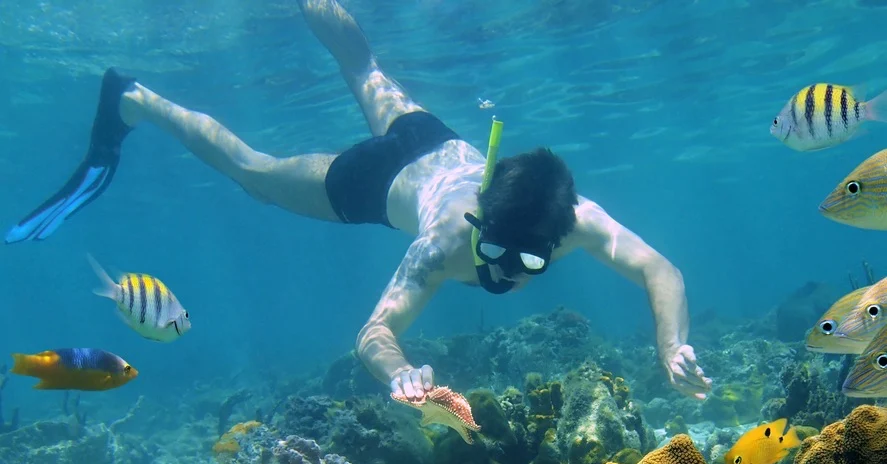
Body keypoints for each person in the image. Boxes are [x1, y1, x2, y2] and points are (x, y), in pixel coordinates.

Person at [5, 0, 712, 404]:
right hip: (375, 182)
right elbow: (374, 332)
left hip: (431, 138)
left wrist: (670, 343)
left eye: (528, 258)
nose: (507, 271)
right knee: (254, 172)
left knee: (365, 66)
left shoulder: (575, 219)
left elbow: (661, 271)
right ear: (479, 216)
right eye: (492, 248)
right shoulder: (442, 240)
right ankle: (133, 99)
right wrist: (397, 371)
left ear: (559, 236)